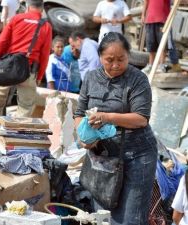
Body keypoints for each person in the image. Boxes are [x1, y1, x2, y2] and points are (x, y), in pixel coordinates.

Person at [74, 32, 158, 225]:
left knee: (131, 218)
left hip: (137, 156)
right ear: (100, 57)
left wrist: (106, 117)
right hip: (103, 157)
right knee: (104, 215)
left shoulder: (137, 79)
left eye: (121, 59)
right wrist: (84, 137)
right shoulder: (91, 78)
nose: (115, 65)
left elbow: (141, 119)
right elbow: (79, 112)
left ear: (128, 56)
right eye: (109, 60)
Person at [0, 0, 52, 117]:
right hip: (28, 71)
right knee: (25, 107)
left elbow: (2, 42)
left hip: (8, 68)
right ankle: (14, 133)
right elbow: (45, 54)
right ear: (42, 10)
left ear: (27, 7)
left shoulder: (16, 19)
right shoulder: (46, 26)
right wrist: (39, 76)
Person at [141, 0, 170, 74]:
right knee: (151, 44)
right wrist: (143, 15)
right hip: (150, 19)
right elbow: (146, 2)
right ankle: (150, 65)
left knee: (162, 44)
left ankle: (162, 65)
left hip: (162, 19)